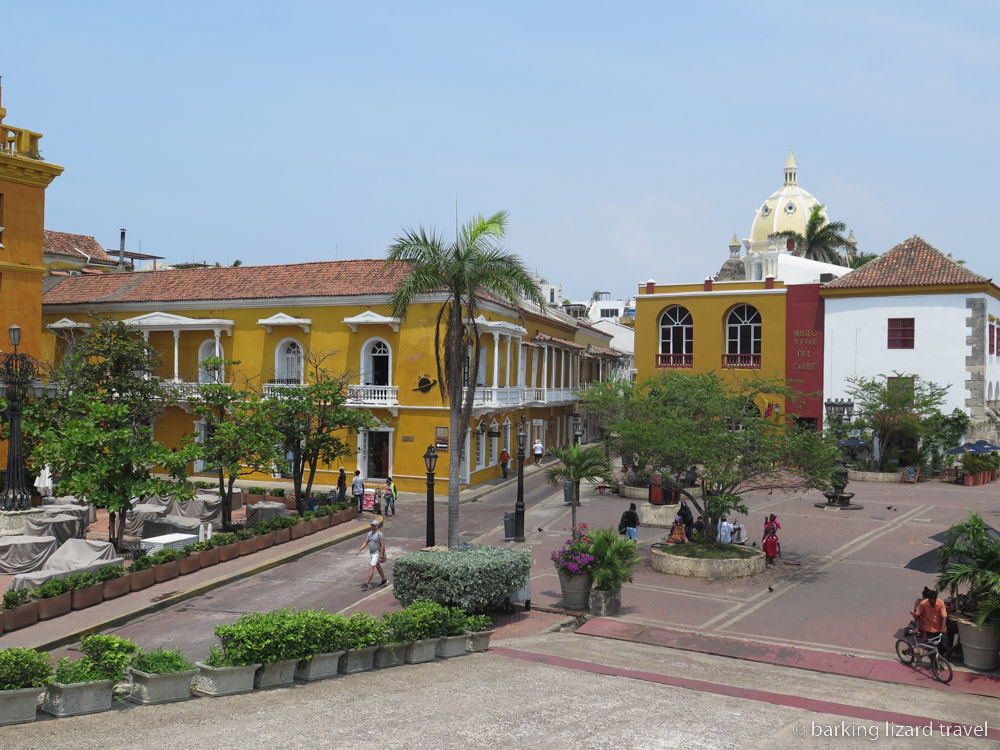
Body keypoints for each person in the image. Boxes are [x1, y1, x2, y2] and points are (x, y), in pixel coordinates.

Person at [355, 519, 387, 590]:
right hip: (372, 553)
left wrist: (381, 555)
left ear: (376, 526)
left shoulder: (380, 534)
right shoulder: (370, 534)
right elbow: (365, 543)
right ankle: (384, 579)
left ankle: (366, 583)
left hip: (377, 554)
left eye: (373, 525)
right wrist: (359, 550)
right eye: (371, 525)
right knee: (377, 566)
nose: (371, 526)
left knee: (372, 567)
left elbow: (382, 545)